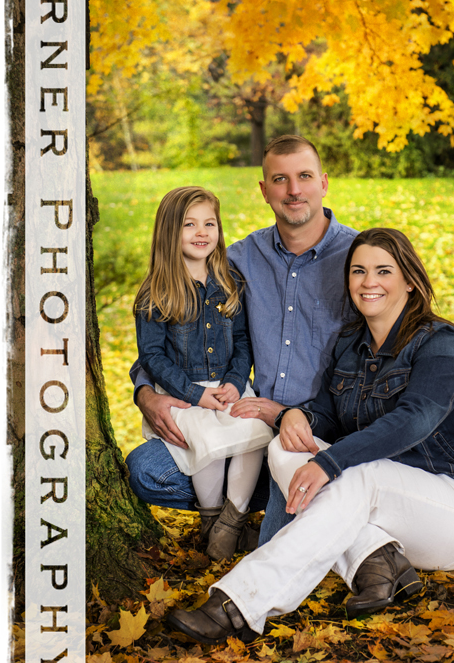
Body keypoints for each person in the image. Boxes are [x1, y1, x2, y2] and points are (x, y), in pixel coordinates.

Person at [166, 227, 454, 644]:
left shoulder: (440, 343)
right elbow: (326, 417)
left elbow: (415, 419)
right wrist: (292, 416)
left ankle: (236, 604)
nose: (368, 282)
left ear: (410, 281)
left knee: (355, 473)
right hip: (382, 511)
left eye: (384, 271)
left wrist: (329, 462)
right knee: (286, 447)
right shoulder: (350, 343)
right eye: (358, 271)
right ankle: (376, 558)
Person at [125, 135, 358, 545]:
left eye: (304, 176)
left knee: (317, 472)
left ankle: (272, 511)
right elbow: (167, 337)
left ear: (323, 182)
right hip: (241, 414)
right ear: (264, 190)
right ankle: (242, 515)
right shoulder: (237, 261)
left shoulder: (359, 259)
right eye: (280, 179)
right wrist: (145, 392)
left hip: (321, 429)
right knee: (147, 471)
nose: (294, 190)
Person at [133, 186, 273, 559]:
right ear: (169, 232)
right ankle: (212, 523)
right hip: (185, 392)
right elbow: (151, 356)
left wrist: (235, 381)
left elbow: (242, 340)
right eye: (189, 224)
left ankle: (233, 521)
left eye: (209, 223)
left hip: (229, 386)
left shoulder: (230, 282)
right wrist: (194, 394)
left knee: (252, 432)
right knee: (205, 443)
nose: (202, 232)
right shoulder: (156, 292)